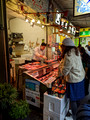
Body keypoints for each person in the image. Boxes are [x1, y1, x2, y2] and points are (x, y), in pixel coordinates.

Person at [58, 38, 85, 120]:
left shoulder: (68, 55)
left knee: (73, 99)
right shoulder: (76, 52)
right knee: (78, 99)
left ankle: (74, 116)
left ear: (65, 46)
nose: (61, 48)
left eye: (62, 46)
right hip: (80, 77)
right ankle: (79, 114)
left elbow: (64, 72)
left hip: (74, 80)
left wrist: (60, 65)